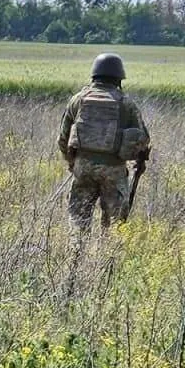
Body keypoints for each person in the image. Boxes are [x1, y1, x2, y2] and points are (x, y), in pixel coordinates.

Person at [58, 52, 151, 258]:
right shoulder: (126, 104)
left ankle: (74, 261)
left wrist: (73, 163)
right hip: (114, 171)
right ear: (118, 78)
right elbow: (143, 139)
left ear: (94, 76)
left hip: (82, 169)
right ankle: (106, 265)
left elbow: (62, 139)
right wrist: (137, 160)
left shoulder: (78, 100)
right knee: (114, 225)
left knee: (78, 221)